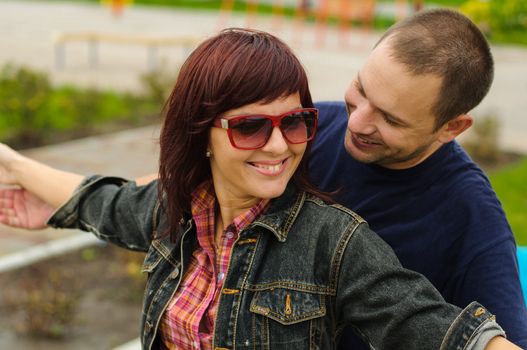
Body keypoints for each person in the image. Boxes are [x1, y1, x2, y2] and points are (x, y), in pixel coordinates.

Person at [0, 29, 521, 350]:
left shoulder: (352, 237)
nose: (280, 145)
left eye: (296, 123)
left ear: (451, 127)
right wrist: (22, 173)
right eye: (359, 91)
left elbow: (431, 324)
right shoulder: (192, 207)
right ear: (202, 134)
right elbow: (115, 201)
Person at [307, 8, 527, 349]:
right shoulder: (305, 133)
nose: (357, 123)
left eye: (390, 119)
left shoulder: (472, 218)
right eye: (360, 89)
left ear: (451, 128)